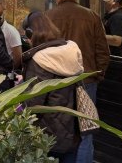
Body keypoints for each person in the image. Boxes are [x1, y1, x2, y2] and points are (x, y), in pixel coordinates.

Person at [46, 0, 109, 163]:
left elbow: (41, 52)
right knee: (85, 130)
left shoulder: (48, 17)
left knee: (56, 129)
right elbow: (103, 52)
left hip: (56, 83)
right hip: (86, 81)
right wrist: (96, 75)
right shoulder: (92, 16)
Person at [22, 11, 83, 162]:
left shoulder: (39, 60)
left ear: (31, 33)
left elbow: (33, 104)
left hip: (47, 136)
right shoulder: (71, 51)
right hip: (73, 132)